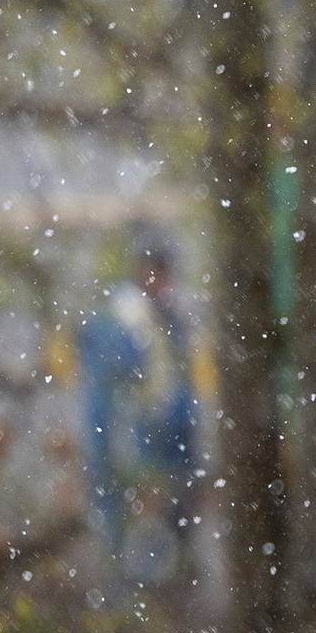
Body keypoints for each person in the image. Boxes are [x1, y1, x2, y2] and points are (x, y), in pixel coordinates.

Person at [79, 235, 198, 589]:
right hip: (134, 457)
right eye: (153, 273)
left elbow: (179, 397)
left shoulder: (170, 322)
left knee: (168, 558)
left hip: (168, 457)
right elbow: (115, 403)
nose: (160, 283)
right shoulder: (119, 324)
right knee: (130, 558)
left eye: (163, 275)